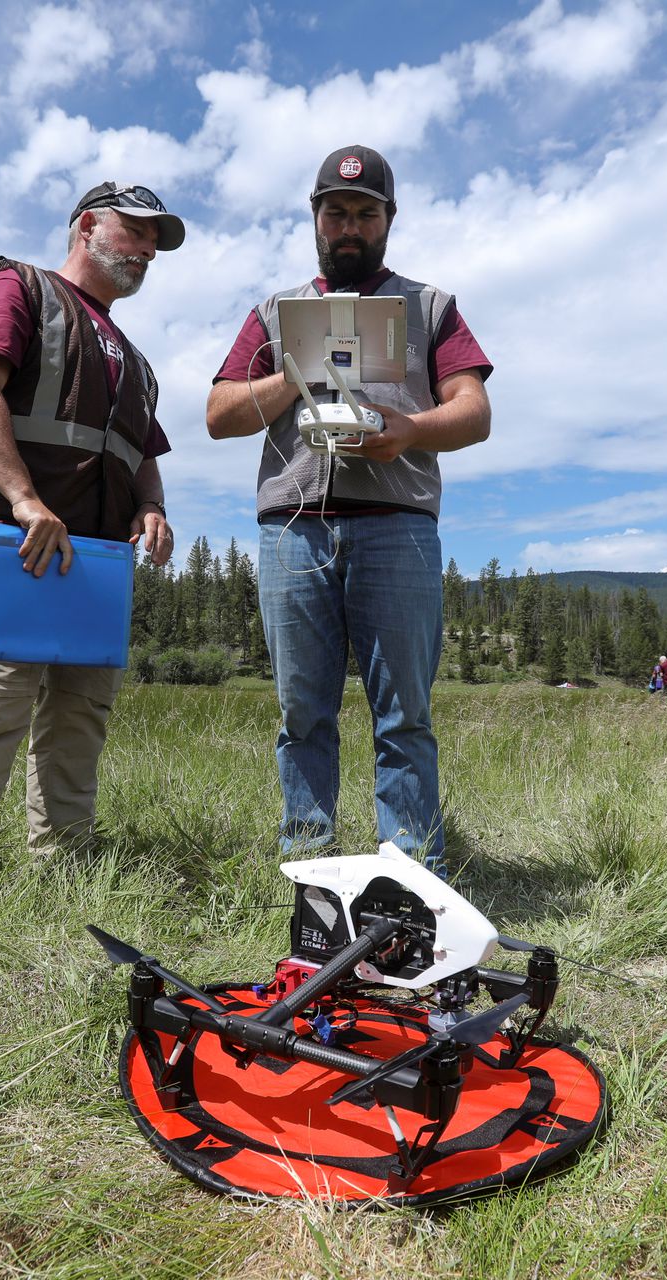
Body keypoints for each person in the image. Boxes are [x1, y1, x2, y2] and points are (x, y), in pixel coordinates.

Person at [0, 181, 184, 908]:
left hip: (97, 567)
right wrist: (24, 499)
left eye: (157, 242)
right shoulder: (15, 286)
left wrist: (151, 505)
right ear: (87, 226)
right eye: (135, 231)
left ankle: (66, 875)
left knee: (79, 724)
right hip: (14, 549)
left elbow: (141, 450)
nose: (147, 250)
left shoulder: (137, 360)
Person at [206, 145, 492, 876]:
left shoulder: (430, 307)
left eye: (367, 213)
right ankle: (309, 867)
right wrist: (297, 370)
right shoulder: (273, 313)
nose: (350, 227)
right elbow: (219, 414)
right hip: (293, 530)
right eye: (337, 212)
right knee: (302, 713)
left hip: (397, 528)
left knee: (406, 717)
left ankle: (410, 875)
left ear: (389, 220)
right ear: (315, 217)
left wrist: (411, 431)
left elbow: (475, 412)